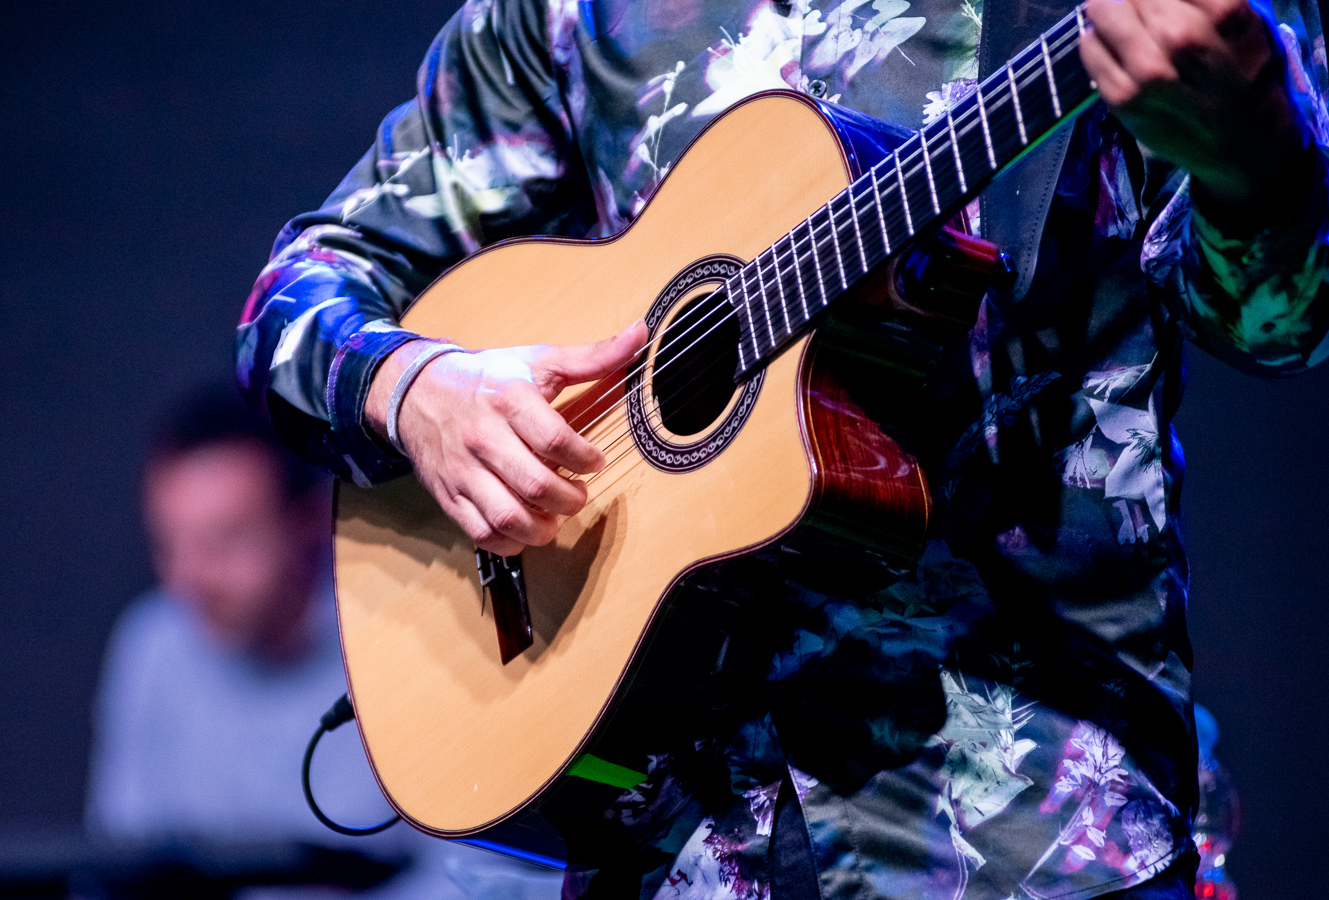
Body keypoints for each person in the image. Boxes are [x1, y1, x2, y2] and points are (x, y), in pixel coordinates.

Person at [236, 1, 1328, 898]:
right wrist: (411, 389)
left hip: (1024, 825)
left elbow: (1284, 323)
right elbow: (300, 287)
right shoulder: (573, 15)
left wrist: (1259, 162)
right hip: (664, 840)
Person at [87, 383, 562, 899]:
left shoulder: (407, 634)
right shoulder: (153, 645)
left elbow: (483, 875)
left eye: (227, 541)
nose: (192, 578)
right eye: (171, 546)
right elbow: (125, 864)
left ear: (307, 521)